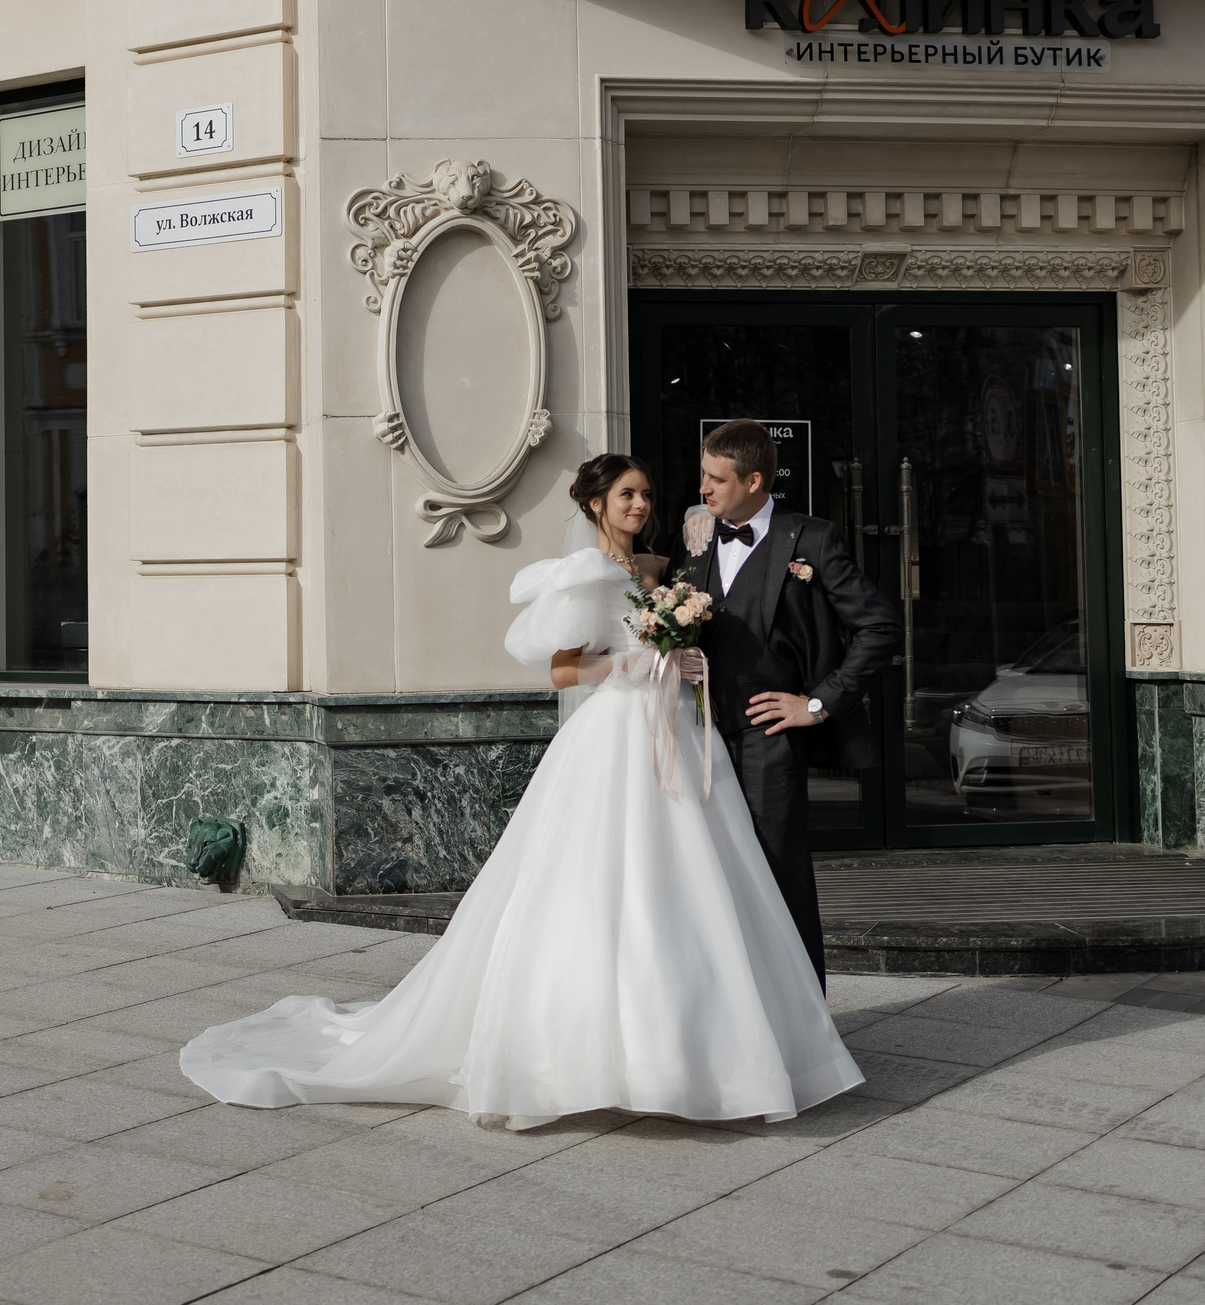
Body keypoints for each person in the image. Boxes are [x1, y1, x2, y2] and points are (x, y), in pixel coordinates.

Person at [178, 452, 863, 1130]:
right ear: (595, 503)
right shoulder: (582, 573)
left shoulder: (661, 570)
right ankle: (579, 1052)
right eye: (627, 494)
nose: (640, 505)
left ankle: (698, 1044)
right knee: (598, 886)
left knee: (689, 885)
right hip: (613, 737)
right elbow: (564, 671)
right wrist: (639, 658)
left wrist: (680, 658)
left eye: (647, 493)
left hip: (675, 732)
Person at [684, 419, 903, 988]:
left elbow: (880, 626)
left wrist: (817, 703)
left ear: (755, 479)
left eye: (716, 479)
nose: (703, 489)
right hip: (699, 735)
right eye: (703, 476)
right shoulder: (699, 536)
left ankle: (805, 1028)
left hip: (769, 741)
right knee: (707, 879)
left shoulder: (811, 539)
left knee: (779, 877)